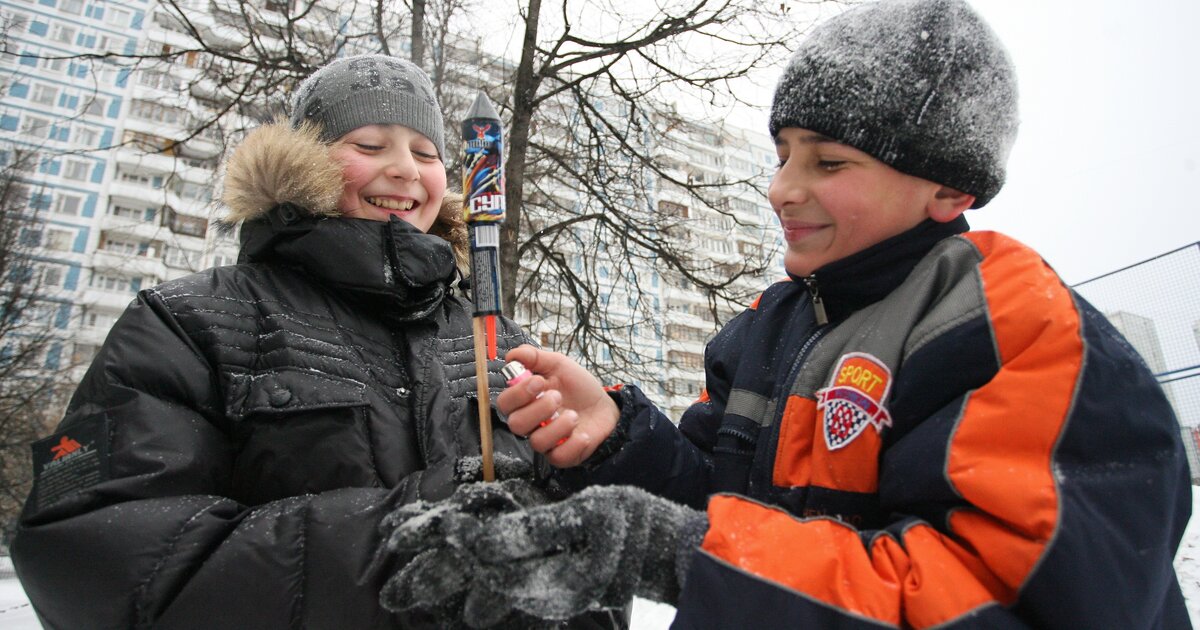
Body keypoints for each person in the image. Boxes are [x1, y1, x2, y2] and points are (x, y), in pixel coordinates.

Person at [378, 1, 1193, 627]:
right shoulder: (769, 328)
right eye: (781, 155)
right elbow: (720, 506)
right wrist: (618, 438)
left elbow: (1000, 595)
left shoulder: (1016, 326)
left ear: (948, 188)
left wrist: (669, 550)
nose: (780, 189)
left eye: (828, 161)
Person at [9, 54, 562, 629]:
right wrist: (409, 540)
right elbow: (92, 553)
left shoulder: (495, 340)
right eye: (370, 145)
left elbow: (577, 544)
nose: (405, 169)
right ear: (305, 162)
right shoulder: (189, 323)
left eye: (426, 154)